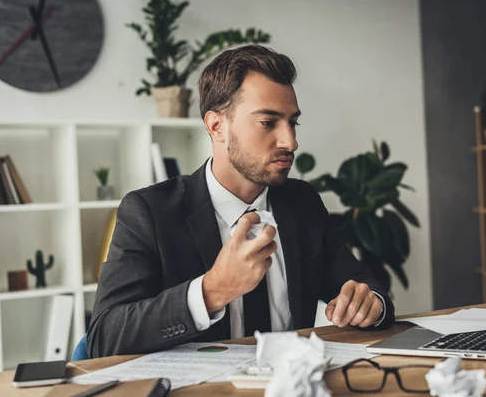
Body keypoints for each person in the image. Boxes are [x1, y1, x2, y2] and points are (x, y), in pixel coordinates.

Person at [87, 45, 395, 358]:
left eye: (293, 122)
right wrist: (211, 292)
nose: (291, 141)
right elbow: (105, 337)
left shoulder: (302, 202)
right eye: (268, 122)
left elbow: (367, 288)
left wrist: (370, 303)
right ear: (217, 126)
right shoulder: (149, 212)